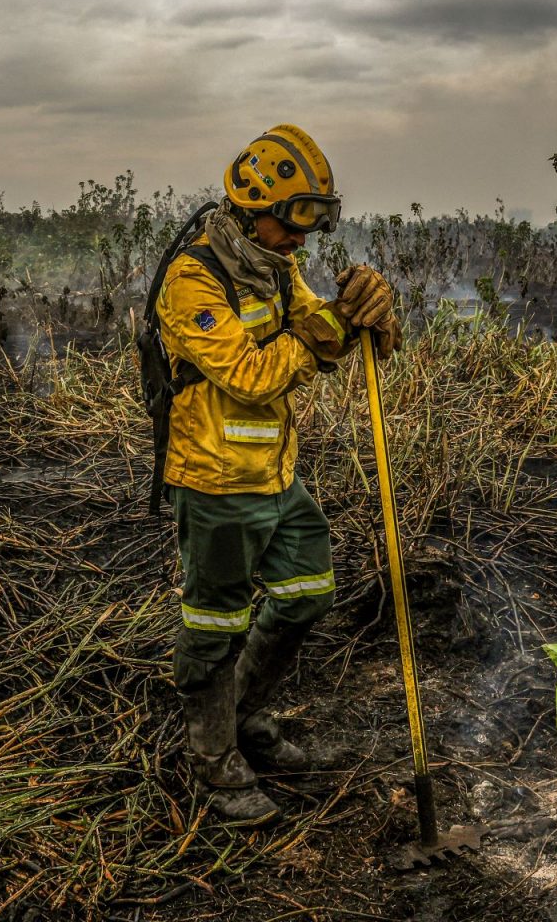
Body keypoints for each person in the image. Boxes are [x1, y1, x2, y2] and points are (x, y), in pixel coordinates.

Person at [154, 124, 401, 821]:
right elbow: (253, 373)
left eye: (313, 223)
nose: (303, 240)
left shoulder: (274, 264)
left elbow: (312, 325)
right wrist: (329, 330)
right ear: (250, 204)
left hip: (273, 471)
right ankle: (210, 761)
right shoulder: (193, 278)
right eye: (292, 221)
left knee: (306, 592)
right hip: (217, 480)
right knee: (215, 622)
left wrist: (357, 308)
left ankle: (241, 715)